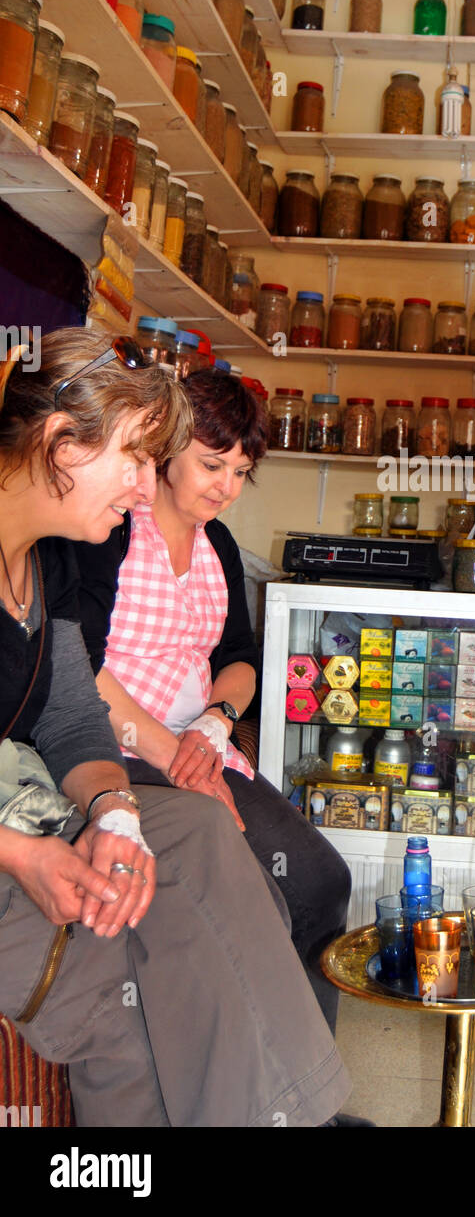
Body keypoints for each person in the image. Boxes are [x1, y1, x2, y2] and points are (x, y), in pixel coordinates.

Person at [0, 328, 351, 1127]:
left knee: (194, 833)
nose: (140, 484)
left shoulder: (46, 559)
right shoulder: (88, 545)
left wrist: (115, 811)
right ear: (60, 442)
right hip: (17, 829)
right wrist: (26, 854)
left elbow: (66, 709)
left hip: (41, 799)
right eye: (134, 458)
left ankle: (297, 1113)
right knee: (124, 973)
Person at [73, 368, 351, 1033]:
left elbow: (237, 661)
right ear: (165, 450)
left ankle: (304, 1098)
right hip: (114, 750)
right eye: (211, 464)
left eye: (240, 471)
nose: (225, 487)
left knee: (319, 881)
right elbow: (78, 668)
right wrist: (174, 754)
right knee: (259, 904)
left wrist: (213, 723)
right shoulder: (109, 530)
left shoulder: (218, 545)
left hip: (199, 745)